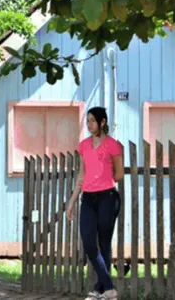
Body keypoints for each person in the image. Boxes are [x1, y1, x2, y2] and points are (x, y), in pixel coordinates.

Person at [65, 107, 125, 300]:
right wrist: (72, 201)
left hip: (108, 198)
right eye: (88, 120)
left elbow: (119, 174)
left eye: (93, 120)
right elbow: (81, 175)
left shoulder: (113, 145)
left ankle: (101, 290)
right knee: (89, 243)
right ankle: (109, 288)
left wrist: (104, 179)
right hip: (88, 199)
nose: (89, 124)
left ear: (102, 122)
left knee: (105, 243)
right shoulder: (83, 146)